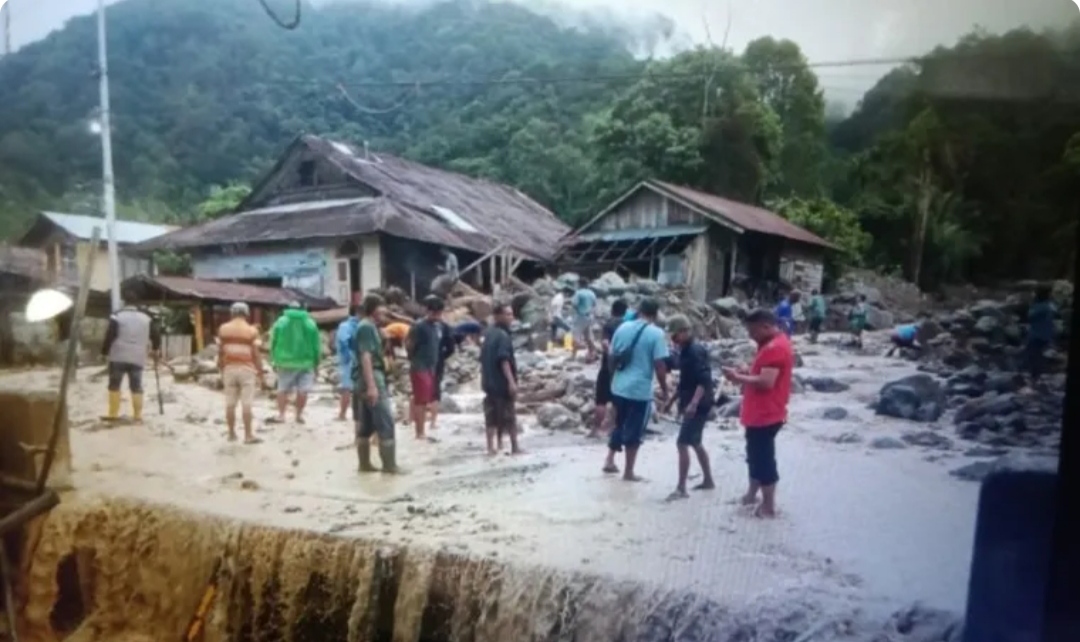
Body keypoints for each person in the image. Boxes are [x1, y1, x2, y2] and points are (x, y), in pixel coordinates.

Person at [721, 309, 795, 519]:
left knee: (763, 459)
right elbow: (763, 374)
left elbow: (766, 382)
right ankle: (752, 495)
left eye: (753, 331)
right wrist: (748, 372)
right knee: (754, 455)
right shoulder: (773, 343)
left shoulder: (775, 348)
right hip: (761, 412)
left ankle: (768, 506)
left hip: (766, 413)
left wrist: (737, 378)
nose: (750, 335)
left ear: (765, 326)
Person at [602, 298, 670, 482]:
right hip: (639, 390)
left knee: (619, 423)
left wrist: (613, 380)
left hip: (619, 386)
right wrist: (665, 389)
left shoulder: (623, 328)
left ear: (639, 311)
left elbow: (611, 355)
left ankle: (609, 460)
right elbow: (659, 365)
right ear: (655, 314)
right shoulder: (656, 334)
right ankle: (629, 472)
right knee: (634, 430)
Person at [663, 314, 715, 501]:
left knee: (682, 443)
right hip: (695, 401)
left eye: (675, 335)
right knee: (694, 441)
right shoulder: (685, 350)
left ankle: (681, 488)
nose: (673, 339)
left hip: (698, 403)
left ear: (684, 332)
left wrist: (693, 403)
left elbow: (704, 380)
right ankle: (708, 480)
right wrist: (672, 400)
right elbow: (685, 382)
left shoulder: (694, 351)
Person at [354, 293, 401, 473]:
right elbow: (366, 356)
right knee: (385, 421)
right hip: (372, 376)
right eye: (382, 307)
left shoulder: (369, 326)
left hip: (363, 378)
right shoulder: (366, 327)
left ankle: (364, 465)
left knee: (366, 425)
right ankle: (390, 466)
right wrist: (372, 386)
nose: (385, 311)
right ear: (373, 308)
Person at [101, 300, 161, 422]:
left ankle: (113, 414)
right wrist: (155, 349)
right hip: (138, 357)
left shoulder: (117, 316)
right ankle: (137, 415)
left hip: (118, 356)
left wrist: (104, 352)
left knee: (114, 385)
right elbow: (156, 336)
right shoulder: (147, 318)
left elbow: (110, 335)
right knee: (136, 386)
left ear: (124, 303)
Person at [216, 302, 264, 443]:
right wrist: (260, 372)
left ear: (232, 313)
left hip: (229, 369)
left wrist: (221, 367)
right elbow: (256, 354)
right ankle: (248, 436)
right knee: (246, 404)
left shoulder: (223, 329)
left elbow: (220, 351)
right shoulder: (251, 331)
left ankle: (231, 434)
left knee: (230, 404)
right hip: (247, 370)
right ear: (246, 314)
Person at [268, 302, 321, 425]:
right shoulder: (310, 323)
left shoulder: (281, 322)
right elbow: (316, 346)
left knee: (282, 389)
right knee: (303, 391)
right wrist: (317, 363)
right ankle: (299, 415)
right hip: (306, 363)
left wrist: (273, 359)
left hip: (285, 362)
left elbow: (273, 342)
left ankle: (281, 415)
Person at [480, 303, 522, 455]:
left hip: (488, 382)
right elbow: (504, 360)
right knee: (509, 415)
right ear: (498, 316)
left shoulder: (489, 333)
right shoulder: (504, 336)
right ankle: (515, 447)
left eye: (511, 314)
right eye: (508, 314)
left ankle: (491, 447)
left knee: (491, 416)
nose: (511, 317)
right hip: (501, 383)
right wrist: (511, 382)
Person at [589, 299, 628, 439]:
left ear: (612, 310)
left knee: (601, 400)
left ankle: (596, 430)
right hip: (622, 368)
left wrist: (611, 354)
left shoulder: (609, 324)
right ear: (625, 312)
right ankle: (613, 429)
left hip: (607, 367)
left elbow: (605, 343)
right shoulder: (627, 326)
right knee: (618, 400)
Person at [406, 296, 443, 439]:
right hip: (420, 366)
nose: (437, 316)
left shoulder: (436, 327)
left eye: (439, 313)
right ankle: (419, 432)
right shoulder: (419, 326)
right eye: (434, 313)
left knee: (426, 399)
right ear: (428, 311)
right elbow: (409, 344)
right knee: (420, 400)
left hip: (430, 367)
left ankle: (421, 431)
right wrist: (413, 358)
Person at [1025, 285, 1057, 385]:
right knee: (1039, 356)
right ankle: (1039, 376)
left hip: (1037, 335)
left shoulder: (1041, 306)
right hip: (1045, 335)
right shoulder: (1049, 305)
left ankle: (1035, 377)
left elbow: (1030, 316)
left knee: (1034, 357)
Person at [431, 310, 456, 432]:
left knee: (419, 390)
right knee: (435, 390)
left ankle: (413, 421)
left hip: (422, 362)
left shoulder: (421, 325)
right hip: (438, 362)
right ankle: (432, 422)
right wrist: (441, 356)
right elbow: (451, 348)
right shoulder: (445, 327)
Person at [335, 307, 360, 421]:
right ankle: (358, 415)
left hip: (349, 359)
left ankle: (342, 414)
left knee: (346, 388)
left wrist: (345, 358)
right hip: (361, 359)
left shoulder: (344, 326)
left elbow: (343, 342)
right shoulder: (364, 325)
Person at [570, 280, 598, 361]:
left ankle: (573, 356)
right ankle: (593, 352)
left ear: (580, 284)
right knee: (588, 336)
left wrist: (578, 310)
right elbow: (594, 305)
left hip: (580, 316)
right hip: (589, 317)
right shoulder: (592, 293)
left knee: (576, 336)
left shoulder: (578, 293)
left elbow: (574, 304)